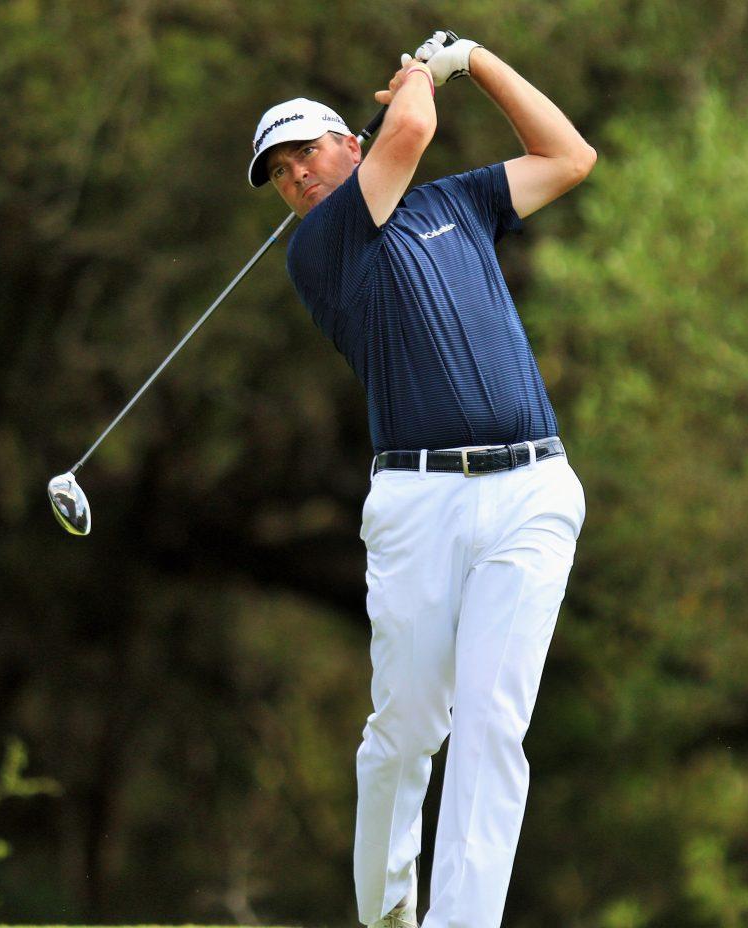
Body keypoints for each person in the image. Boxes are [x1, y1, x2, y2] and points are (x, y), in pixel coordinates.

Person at [247, 30, 595, 928]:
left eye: (304, 153)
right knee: (405, 733)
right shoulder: (320, 248)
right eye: (277, 172)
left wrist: (476, 61)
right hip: (417, 503)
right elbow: (406, 136)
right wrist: (419, 75)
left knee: (491, 728)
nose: (294, 176)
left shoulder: (462, 204)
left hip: (533, 491)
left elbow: (568, 154)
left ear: (345, 144)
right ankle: (386, 913)